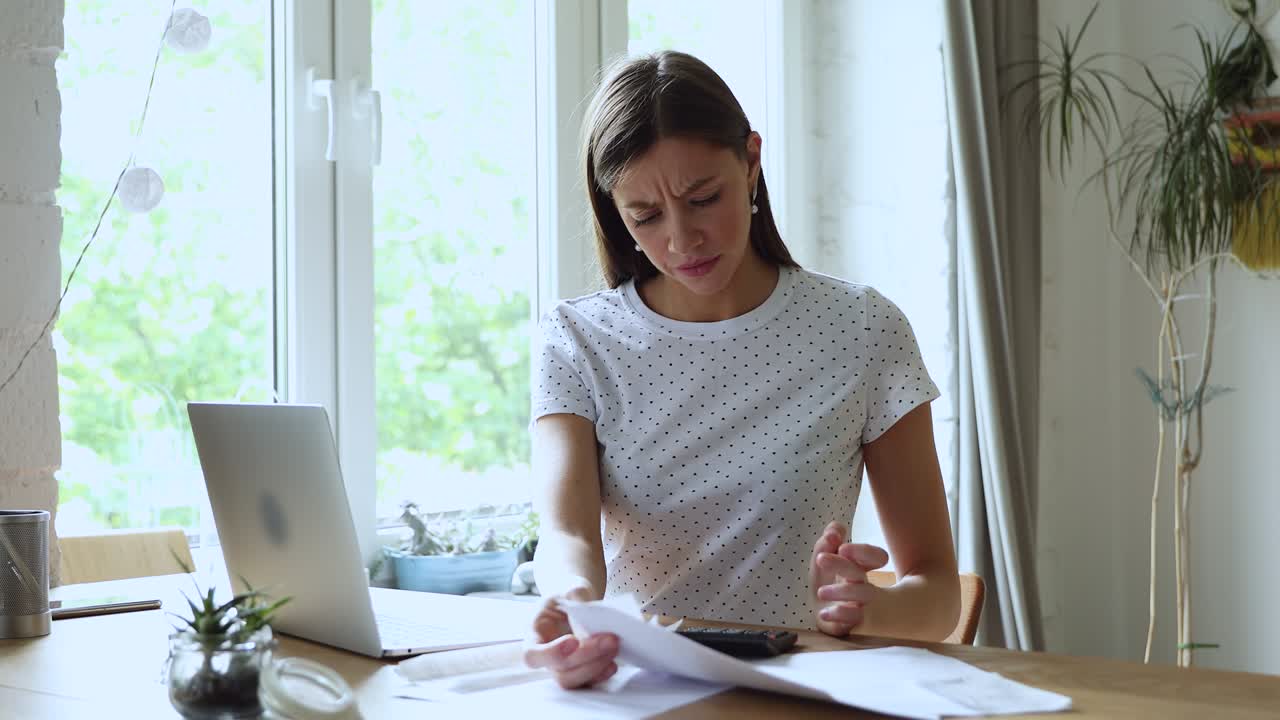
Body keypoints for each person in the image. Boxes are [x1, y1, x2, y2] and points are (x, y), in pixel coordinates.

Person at [522, 50, 959, 689]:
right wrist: (568, 601)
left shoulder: (862, 329)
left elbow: (938, 591)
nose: (681, 239)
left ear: (752, 162)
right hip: (639, 694)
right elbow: (566, 536)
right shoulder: (577, 340)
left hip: (799, 693)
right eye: (645, 216)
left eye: (703, 198)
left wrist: (876, 610)